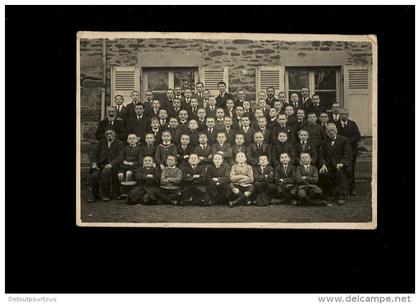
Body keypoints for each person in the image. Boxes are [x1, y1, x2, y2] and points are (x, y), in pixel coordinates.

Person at [318, 123, 352, 205]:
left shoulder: (344, 140)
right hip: (329, 165)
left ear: (336, 130)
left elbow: (348, 153)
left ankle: (341, 195)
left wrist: (342, 163)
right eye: (328, 131)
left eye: (332, 130)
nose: (331, 132)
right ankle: (328, 193)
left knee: (340, 172)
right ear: (326, 132)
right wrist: (323, 164)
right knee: (323, 173)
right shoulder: (324, 142)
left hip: (341, 165)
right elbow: (321, 155)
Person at [89, 129, 124, 202]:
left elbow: (120, 156)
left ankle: (105, 195)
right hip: (100, 164)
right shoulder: (101, 143)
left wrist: (111, 164)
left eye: (110, 133)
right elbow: (94, 154)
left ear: (115, 135)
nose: (109, 135)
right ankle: (95, 196)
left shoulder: (119, 143)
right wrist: (94, 163)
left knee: (105, 173)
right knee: (95, 175)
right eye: (107, 134)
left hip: (113, 165)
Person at [336, 108, 361, 195]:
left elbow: (358, 136)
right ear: (339, 115)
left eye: (346, 114)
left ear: (348, 115)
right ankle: (342, 189)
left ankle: (352, 188)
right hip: (339, 151)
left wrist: (349, 140)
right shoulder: (336, 124)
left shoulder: (352, 124)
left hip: (351, 151)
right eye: (342, 114)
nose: (344, 116)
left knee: (351, 170)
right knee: (341, 170)